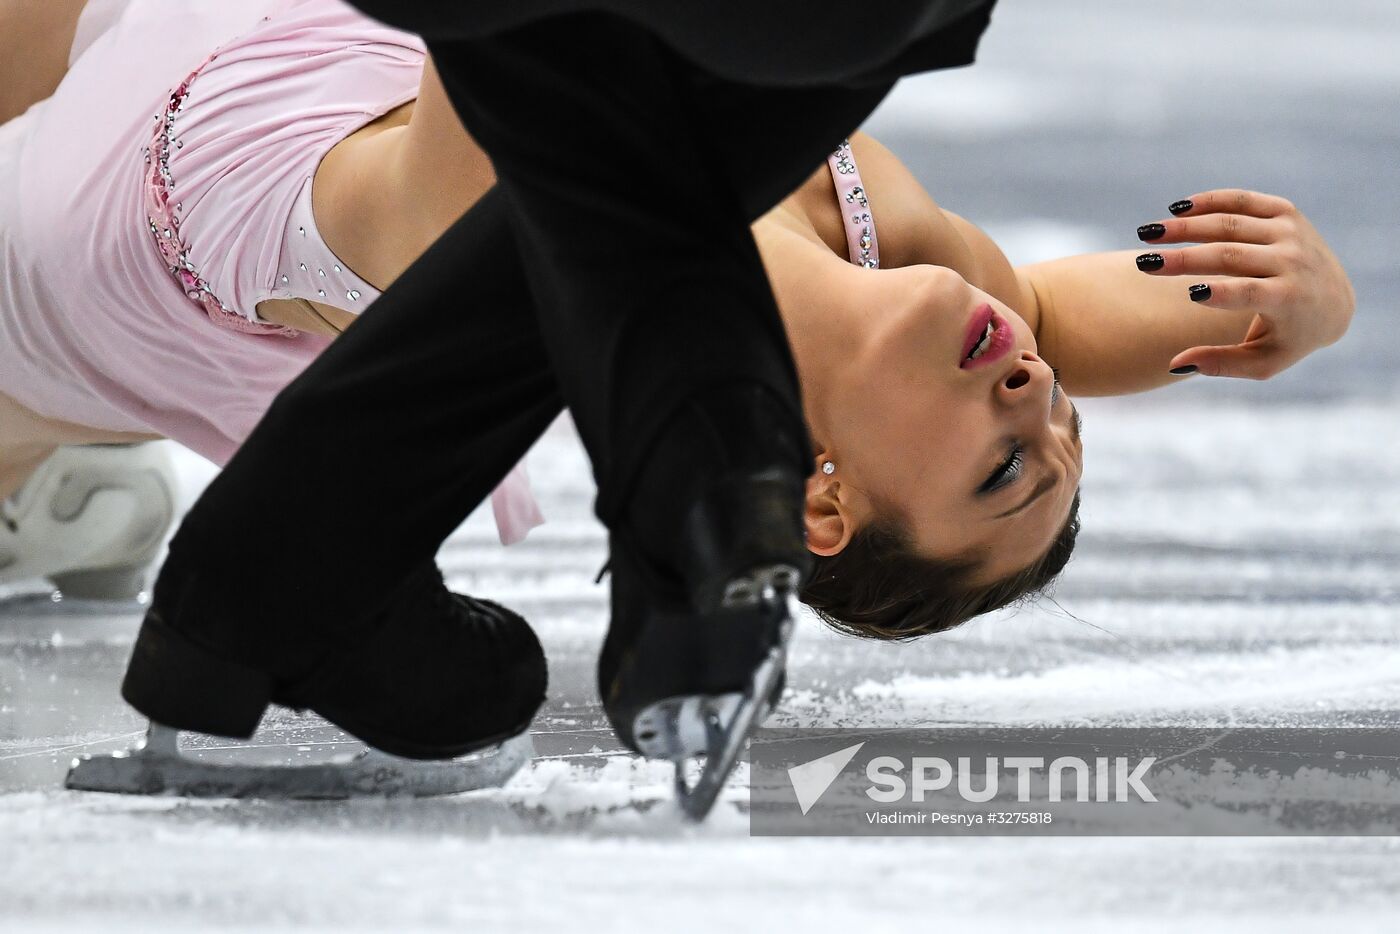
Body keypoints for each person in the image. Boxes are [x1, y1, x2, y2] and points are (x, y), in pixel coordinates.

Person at [0, 1, 1352, 765]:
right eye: (1066, 419)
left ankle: (32, 457)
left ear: (821, 502)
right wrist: (1289, 304)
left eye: (1005, 472)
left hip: (139, 210)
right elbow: (1061, 311)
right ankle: (51, 473)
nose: (1041, 401)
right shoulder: (892, 242)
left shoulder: (545, 284)